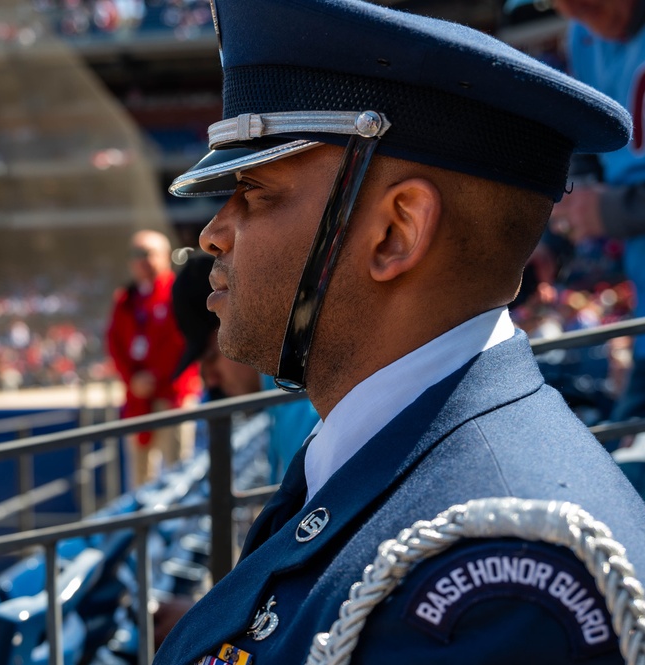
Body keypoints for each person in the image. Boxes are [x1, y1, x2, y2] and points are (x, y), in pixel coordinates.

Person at [151, 0, 645, 663]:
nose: (213, 232)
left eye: (256, 193)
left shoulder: (502, 581)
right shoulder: (390, 462)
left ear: (396, 231)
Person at [549, 0, 645, 424]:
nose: (572, 7)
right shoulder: (583, 35)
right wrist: (555, 235)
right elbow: (586, 146)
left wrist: (611, 211)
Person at [171, 252, 319, 480]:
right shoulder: (284, 388)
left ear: (238, 321)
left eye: (210, 357)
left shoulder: (301, 396)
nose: (209, 379)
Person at [106, 230, 202, 488]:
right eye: (135, 255)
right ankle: (144, 529)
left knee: (178, 475)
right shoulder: (125, 300)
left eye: (147, 254)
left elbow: (184, 343)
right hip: (138, 400)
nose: (141, 261)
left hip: (173, 396)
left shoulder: (179, 291)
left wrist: (155, 377)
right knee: (140, 479)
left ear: (165, 256)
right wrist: (133, 379)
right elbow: (115, 345)